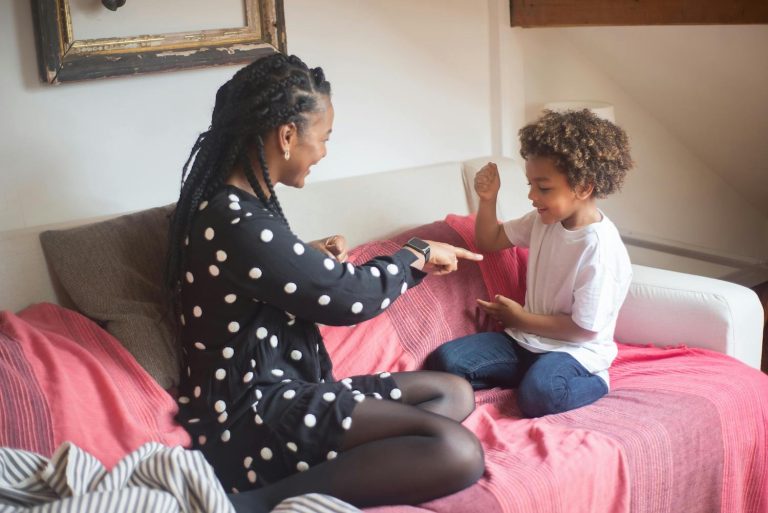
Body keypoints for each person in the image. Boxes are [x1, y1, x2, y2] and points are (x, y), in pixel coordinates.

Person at [164, 52, 485, 513]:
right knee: (458, 451)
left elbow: (255, 276)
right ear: (288, 135)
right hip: (255, 414)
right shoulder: (232, 218)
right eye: (325, 137)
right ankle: (251, 503)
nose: (324, 153)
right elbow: (347, 300)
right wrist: (415, 256)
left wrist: (302, 256)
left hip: (297, 393)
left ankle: (349, 462)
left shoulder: (241, 208)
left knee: (453, 392)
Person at [426, 109, 634, 418]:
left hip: (575, 352)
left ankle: (594, 382)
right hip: (526, 341)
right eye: (530, 186)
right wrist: (487, 200)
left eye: (544, 188)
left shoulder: (599, 248)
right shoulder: (544, 221)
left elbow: (583, 330)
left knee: (541, 394)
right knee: (446, 362)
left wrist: (520, 318)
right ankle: (528, 375)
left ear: (584, 187)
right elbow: (491, 240)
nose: (533, 196)